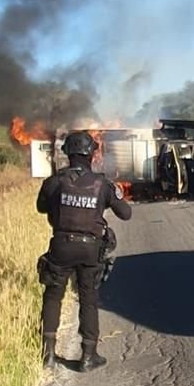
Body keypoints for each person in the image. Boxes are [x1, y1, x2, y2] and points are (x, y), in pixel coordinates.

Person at [36, 131, 132, 372]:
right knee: (88, 298)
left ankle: (48, 354)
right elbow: (126, 213)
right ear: (93, 154)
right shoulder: (103, 184)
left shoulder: (55, 181)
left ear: (67, 154)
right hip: (90, 249)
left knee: (53, 295)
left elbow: (40, 207)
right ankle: (88, 356)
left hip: (61, 246)